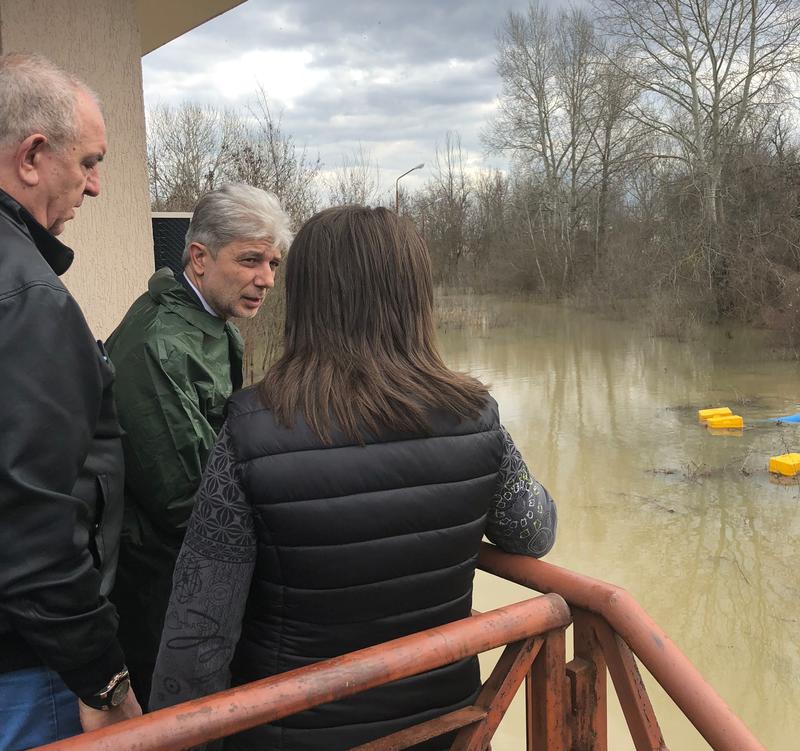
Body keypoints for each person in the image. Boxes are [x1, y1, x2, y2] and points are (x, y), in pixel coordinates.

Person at [150, 205, 557, 750]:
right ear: (415, 297)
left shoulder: (252, 431)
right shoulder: (475, 416)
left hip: (290, 734)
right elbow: (534, 533)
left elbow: (198, 634)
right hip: (444, 729)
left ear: (308, 299)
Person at [0, 53, 141, 749]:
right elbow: (33, 531)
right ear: (32, 156)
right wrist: (103, 680)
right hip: (24, 670)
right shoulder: (28, 297)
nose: (96, 187)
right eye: (88, 162)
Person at [106, 183, 292, 707]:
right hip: (163, 590)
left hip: (196, 577)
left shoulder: (213, 322)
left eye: (273, 263)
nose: (266, 279)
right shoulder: (160, 346)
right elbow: (185, 500)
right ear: (199, 257)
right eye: (251, 260)